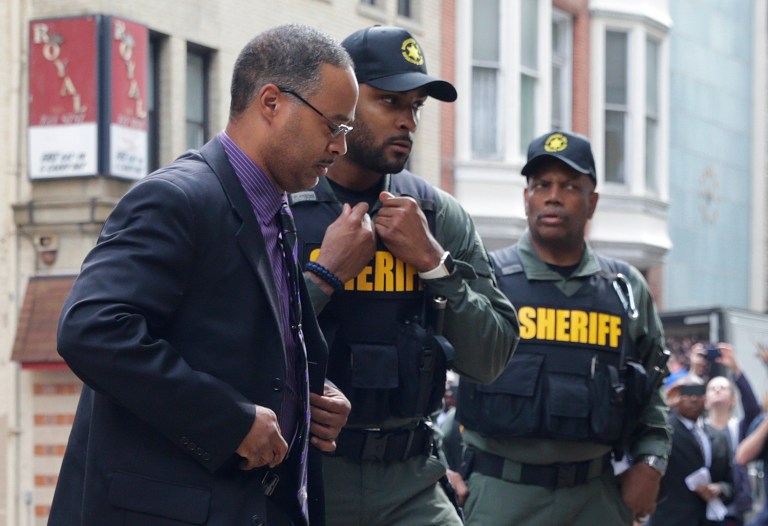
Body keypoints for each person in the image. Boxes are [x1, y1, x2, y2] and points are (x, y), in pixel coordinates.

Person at [48, 24, 358, 526]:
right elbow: (91, 330)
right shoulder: (178, 198)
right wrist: (228, 423)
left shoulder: (275, 210)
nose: (340, 147)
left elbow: (242, 345)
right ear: (272, 102)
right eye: (335, 126)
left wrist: (309, 393)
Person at [288, 25, 519, 526]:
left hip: (410, 480)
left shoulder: (438, 214)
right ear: (344, 103)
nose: (407, 122)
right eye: (389, 102)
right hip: (307, 475)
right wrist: (323, 275)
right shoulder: (285, 202)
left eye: (414, 107)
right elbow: (234, 338)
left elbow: (492, 357)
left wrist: (435, 265)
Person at [455, 130, 672, 525]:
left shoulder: (624, 289)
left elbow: (653, 386)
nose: (553, 196)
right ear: (526, 198)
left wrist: (652, 463)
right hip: (498, 493)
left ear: (592, 202)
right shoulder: (488, 278)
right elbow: (433, 373)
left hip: (596, 496)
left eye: (570, 185)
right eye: (542, 184)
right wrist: (439, 466)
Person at [648, 376, 734, 526]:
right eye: (687, 393)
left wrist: (719, 489)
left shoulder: (718, 437)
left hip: (708, 520)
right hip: (670, 519)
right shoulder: (664, 430)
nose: (693, 398)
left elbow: (731, 482)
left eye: (698, 393)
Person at [704, 343, 761, 526]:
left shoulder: (739, 428)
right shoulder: (697, 430)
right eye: (713, 388)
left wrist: (735, 368)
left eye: (723, 388)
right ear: (705, 401)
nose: (718, 390)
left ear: (733, 400)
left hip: (734, 509)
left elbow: (753, 409)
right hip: (700, 507)